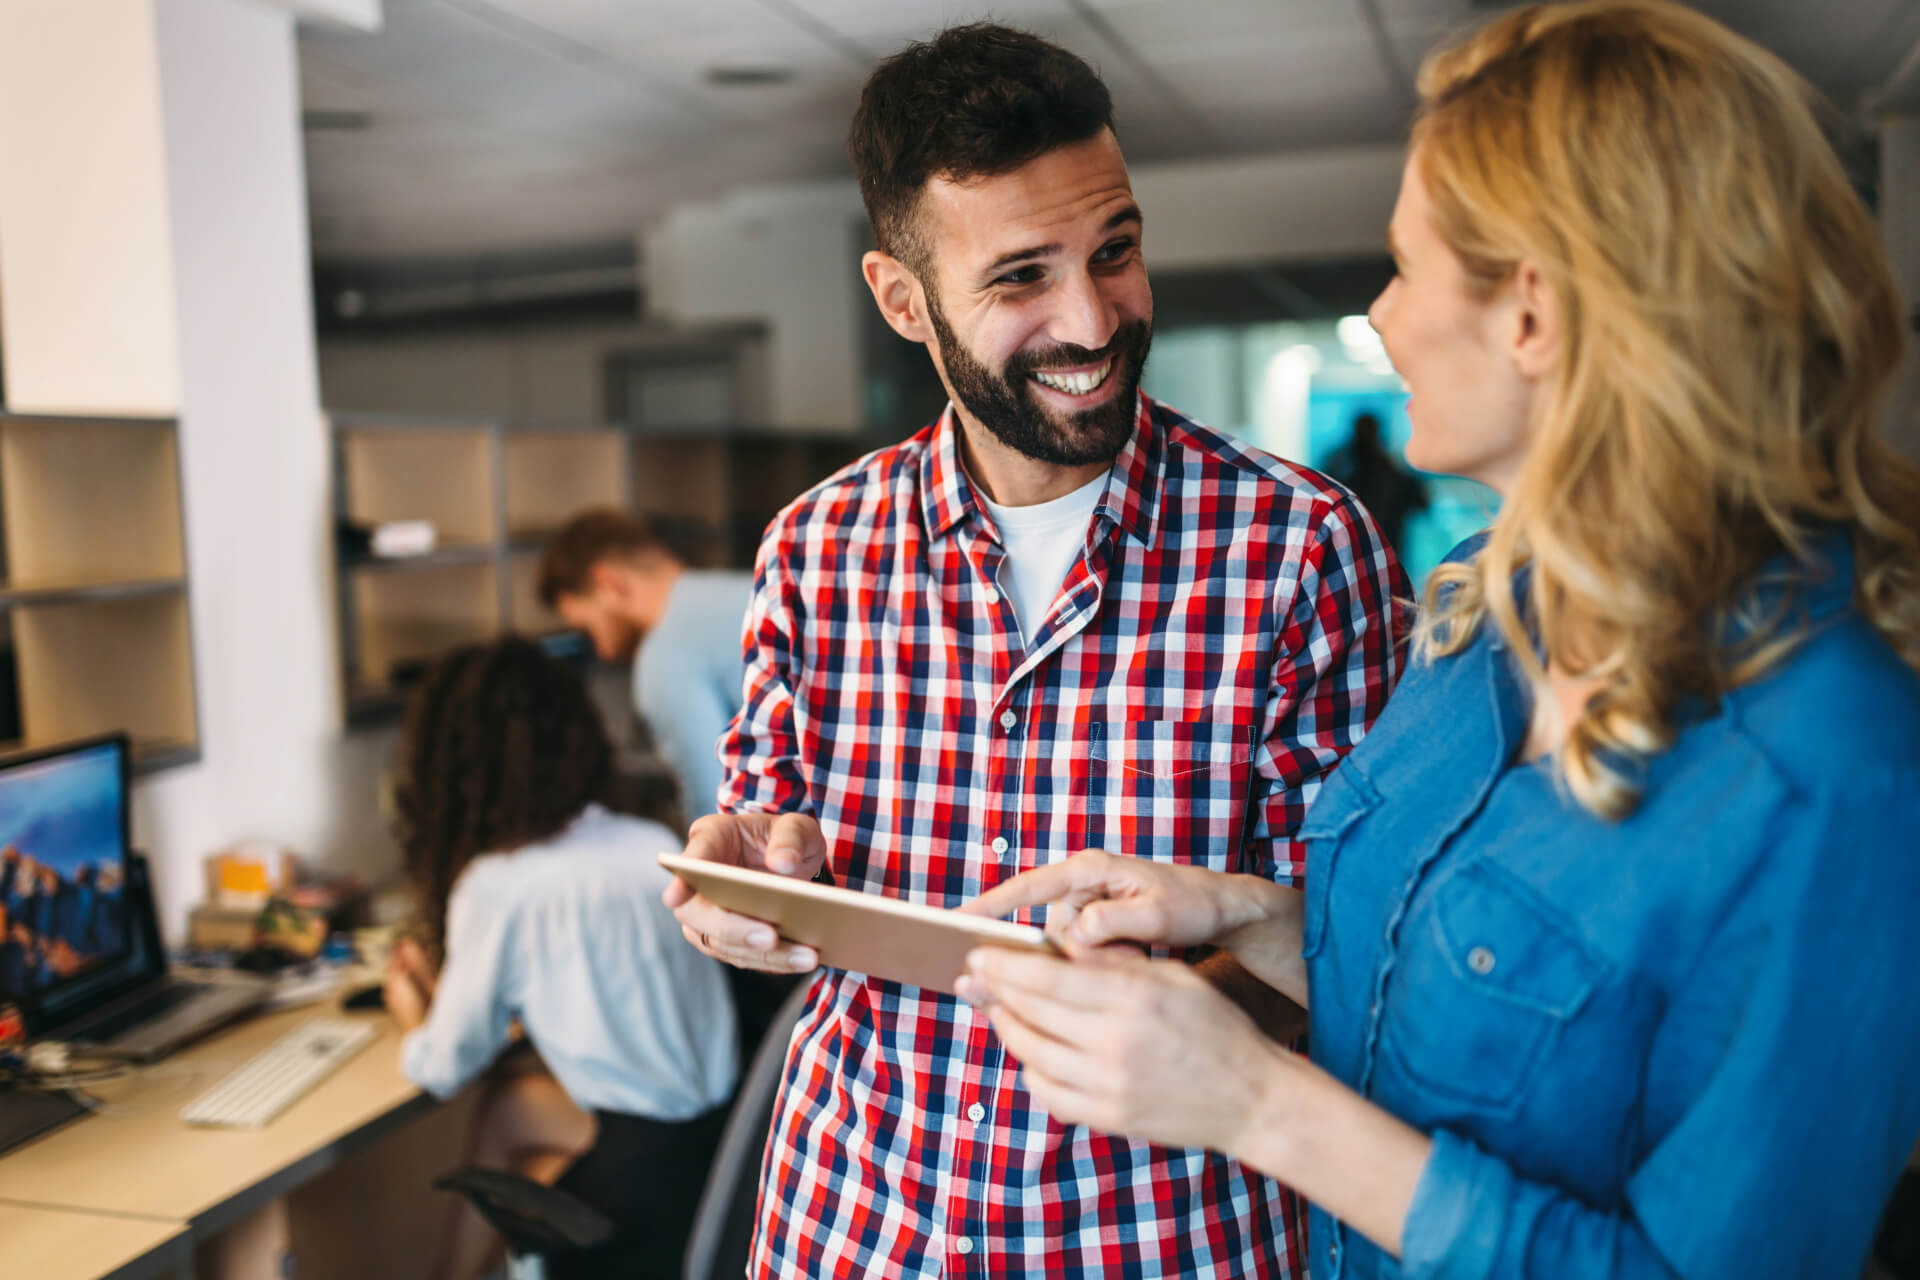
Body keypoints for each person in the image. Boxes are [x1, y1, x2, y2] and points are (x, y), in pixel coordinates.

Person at [957, 4, 1920, 1277]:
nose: (1385, 312)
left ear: (1532, 315)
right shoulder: (1482, 600)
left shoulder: (1839, 763)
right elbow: (1478, 1001)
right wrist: (1246, 914)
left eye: (1406, 267)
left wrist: (1256, 1103)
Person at [662, 23, 1406, 1279]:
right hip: (854, 1222)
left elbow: (1356, 949)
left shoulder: (1301, 549)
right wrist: (738, 875)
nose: (1092, 317)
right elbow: (767, 825)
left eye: (1113, 250)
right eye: (1020, 279)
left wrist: (1150, 1029)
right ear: (905, 302)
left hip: (1162, 1237)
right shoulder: (816, 546)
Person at [383, 637, 739, 1280]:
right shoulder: (649, 843)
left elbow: (444, 1068)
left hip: (641, 1201)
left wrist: (413, 1012)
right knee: (508, 1108)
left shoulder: (501, 885)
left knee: (505, 1127)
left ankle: (453, 1271)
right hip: (713, 1159)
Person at [537, 508, 754, 822]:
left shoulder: (665, 657)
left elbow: (717, 809)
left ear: (609, 583)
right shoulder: (751, 584)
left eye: (588, 629)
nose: (604, 652)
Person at [1326, 411, 1429, 558]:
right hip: (1375, 544)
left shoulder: (1341, 464)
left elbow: (1420, 502)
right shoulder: (1391, 466)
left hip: (1373, 544)